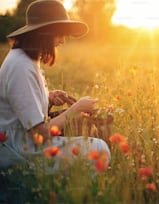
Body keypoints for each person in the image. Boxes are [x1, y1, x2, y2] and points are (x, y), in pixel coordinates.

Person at [0, 0, 111, 170]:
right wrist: (75, 109)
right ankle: (68, 193)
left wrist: (48, 98)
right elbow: (39, 133)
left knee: (90, 141)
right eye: (60, 33)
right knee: (99, 148)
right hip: (20, 149)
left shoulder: (25, 60)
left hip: (22, 141)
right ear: (45, 33)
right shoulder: (21, 66)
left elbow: (22, 108)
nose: (62, 41)